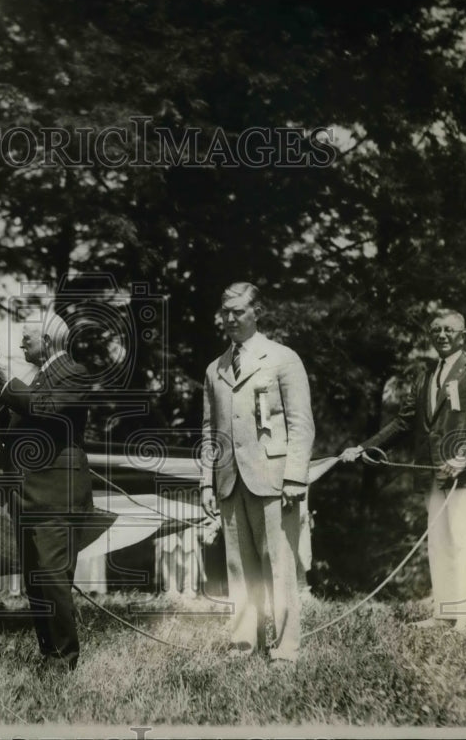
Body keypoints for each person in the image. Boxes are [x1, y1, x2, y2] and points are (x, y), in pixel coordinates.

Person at [340, 309, 466, 631]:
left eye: (449, 330)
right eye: (436, 330)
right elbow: (404, 421)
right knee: (439, 541)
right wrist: (365, 447)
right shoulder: (426, 375)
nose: (442, 335)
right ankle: (444, 612)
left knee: (465, 540)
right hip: (432, 472)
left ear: (463, 335)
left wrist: (463, 455)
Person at [200, 282, 315, 663]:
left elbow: (301, 425)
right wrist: (206, 480)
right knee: (238, 567)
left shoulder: (283, 358)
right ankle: (244, 645)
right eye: (225, 311)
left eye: (238, 311)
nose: (230, 318)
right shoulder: (215, 369)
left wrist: (296, 477)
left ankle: (285, 650)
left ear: (256, 312)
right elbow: (209, 431)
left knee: (279, 568)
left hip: (275, 481)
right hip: (230, 481)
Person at [0, 315, 93, 672]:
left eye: (26, 338)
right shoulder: (37, 378)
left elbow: (46, 410)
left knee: (52, 577)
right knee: (37, 580)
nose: (21, 345)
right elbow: (7, 431)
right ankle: (50, 655)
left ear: (47, 340)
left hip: (56, 495)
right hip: (30, 495)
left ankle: (65, 660)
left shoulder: (73, 371)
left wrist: (9, 388)